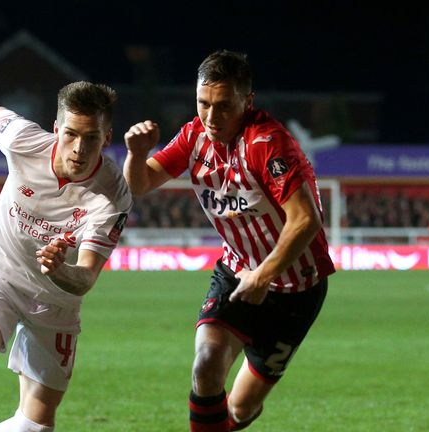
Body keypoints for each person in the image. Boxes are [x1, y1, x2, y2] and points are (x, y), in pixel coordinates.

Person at [123, 50, 335, 431]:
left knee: (239, 408)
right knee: (206, 364)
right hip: (236, 271)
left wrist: (265, 275)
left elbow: (306, 219)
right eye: (203, 103)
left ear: (247, 101)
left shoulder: (268, 143)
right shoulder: (193, 136)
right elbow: (139, 184)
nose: (211, 116)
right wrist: (137, 155)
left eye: (223, 106)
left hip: (296, 290)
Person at [0, 81, 132, 432]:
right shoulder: (26, 141)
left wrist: (59, 270)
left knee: (37, 424)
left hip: (55, 298)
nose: (79, 148)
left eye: (91, 137)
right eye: (71, 134)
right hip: (0, 268)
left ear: (106, 137)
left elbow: (86, 276)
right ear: (56, 130)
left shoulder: (112, 197)